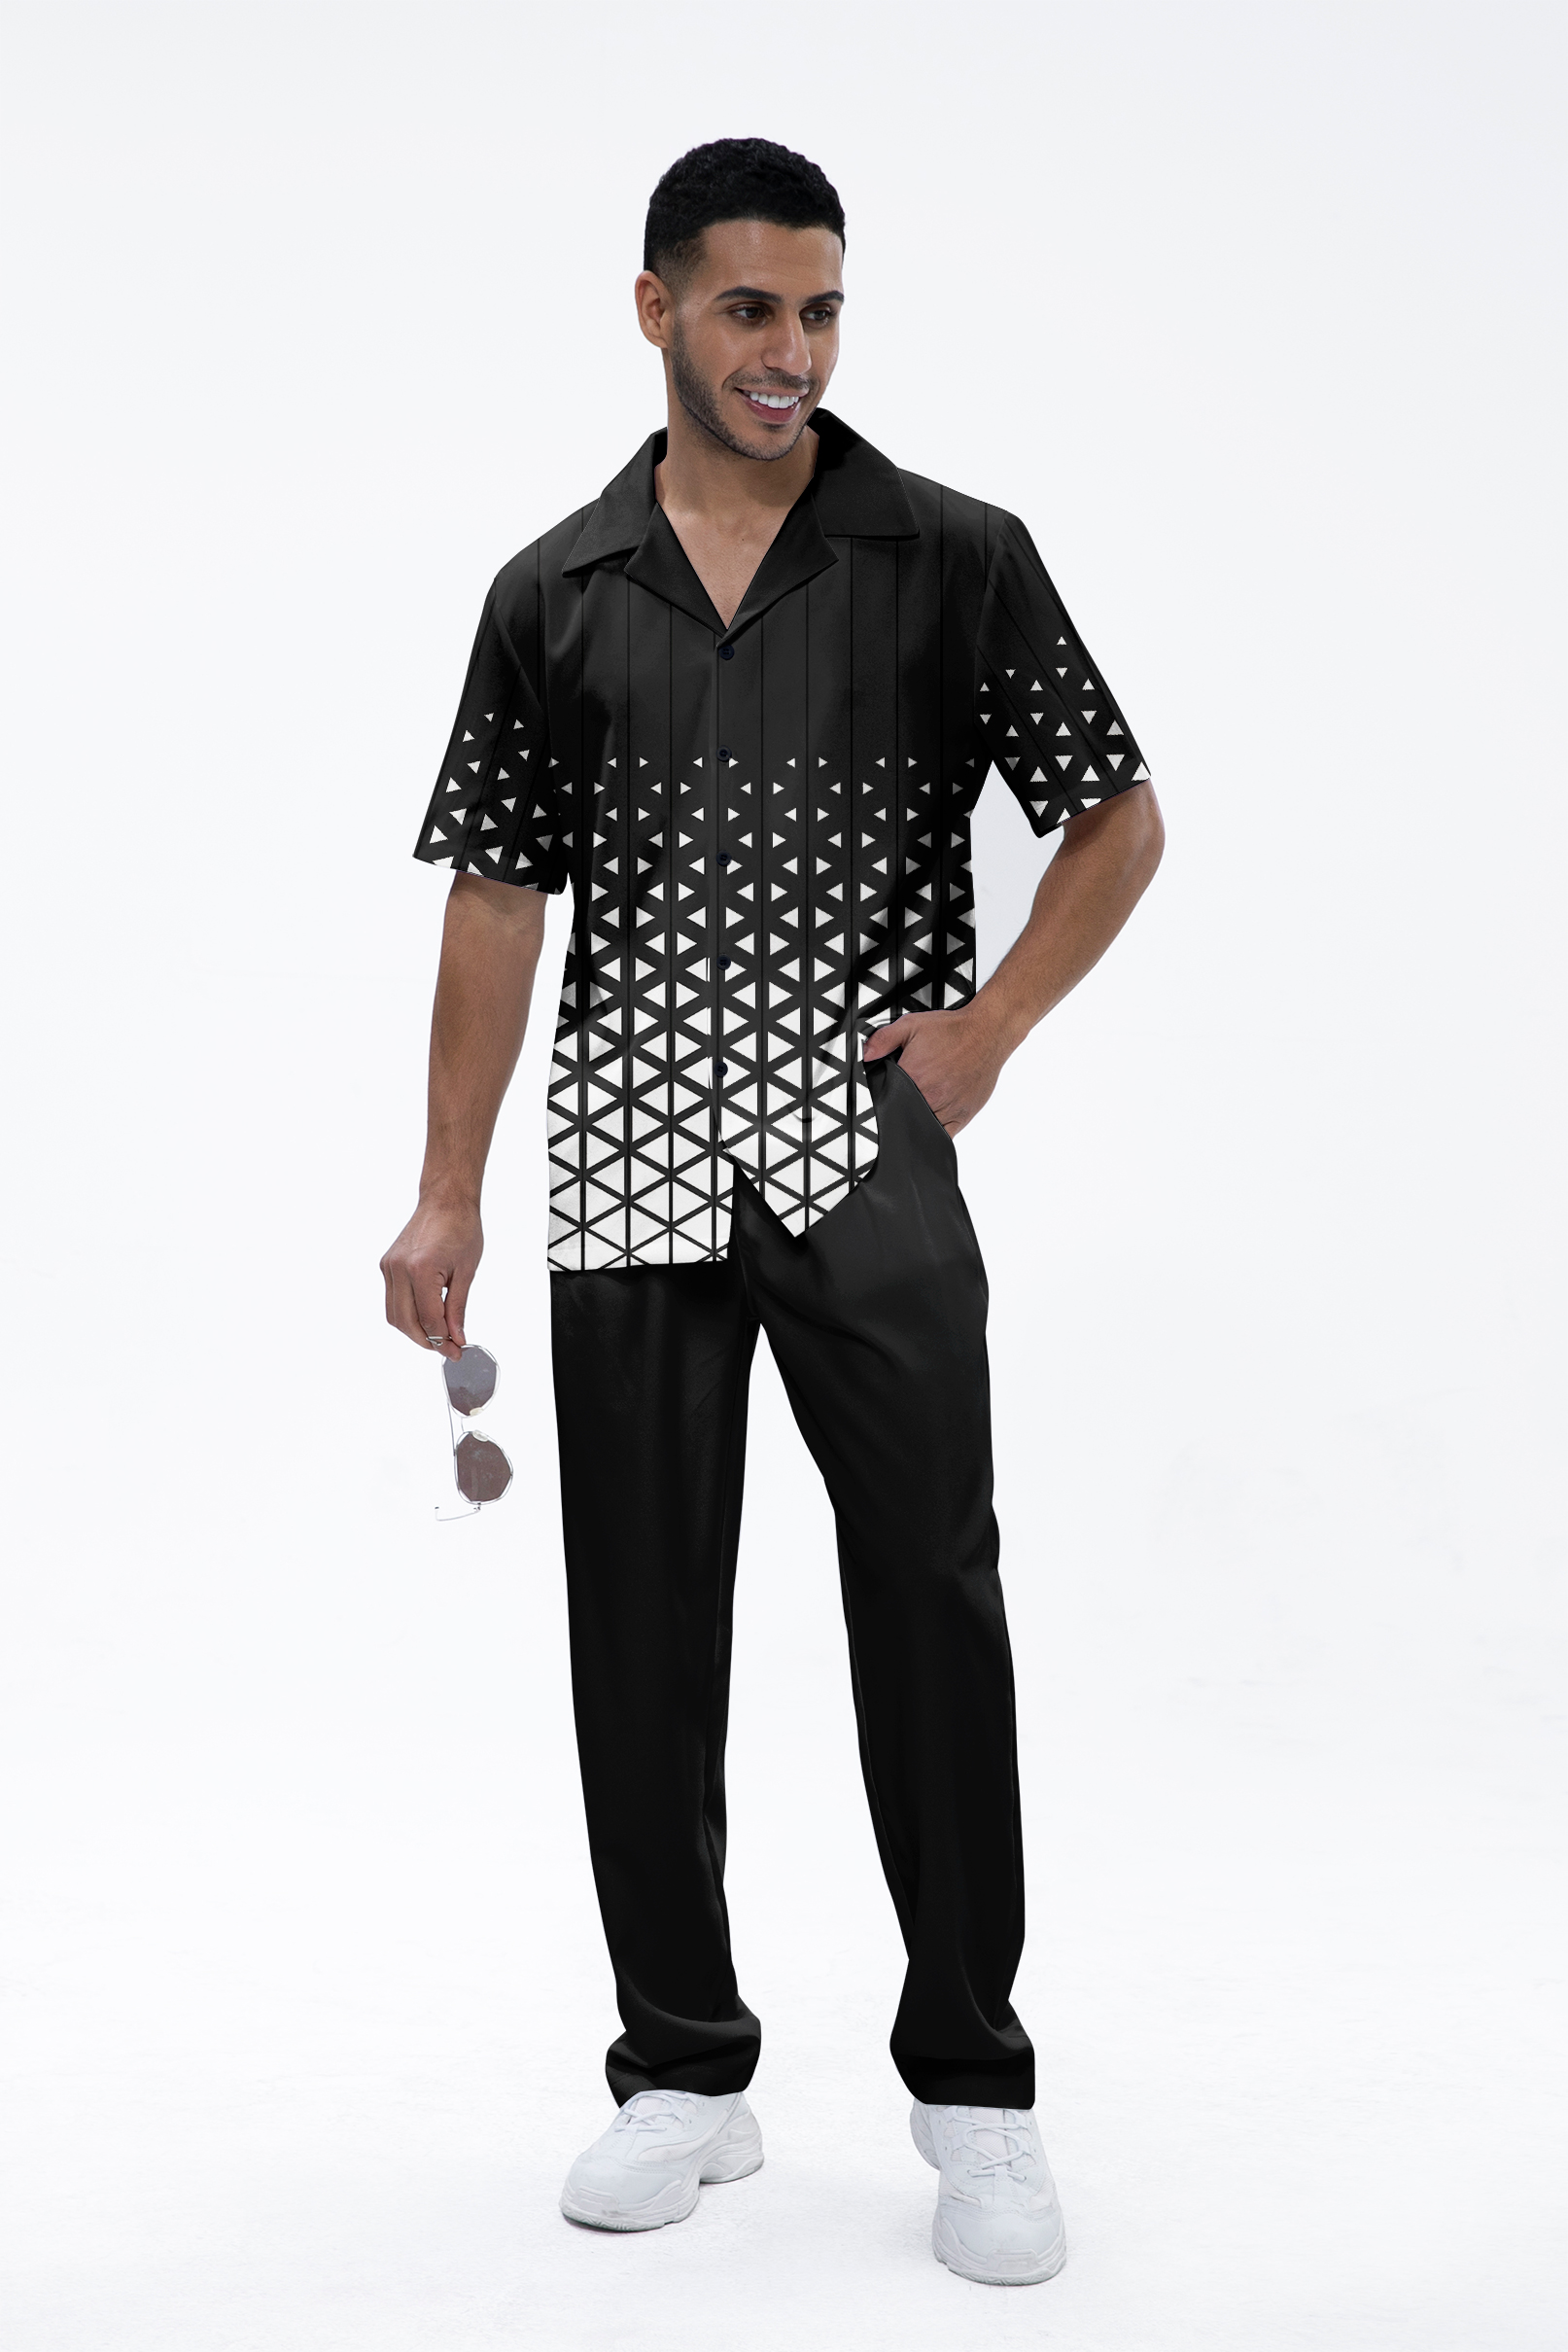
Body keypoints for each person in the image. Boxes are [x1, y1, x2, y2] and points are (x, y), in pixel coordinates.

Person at [380, 136, 1163, 2287]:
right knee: (639, 1620)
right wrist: (445, 1190)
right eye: (749, 309)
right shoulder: (554, 589)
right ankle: (680, 2068)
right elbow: (496, 900)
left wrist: (989, 1031)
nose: (790, 351)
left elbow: (1113, 813)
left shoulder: (951, 555)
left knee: (931, 1596)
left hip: (863, 1149)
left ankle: (976, 2090)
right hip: (632, 1152)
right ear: (656, 311)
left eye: (819, 311)